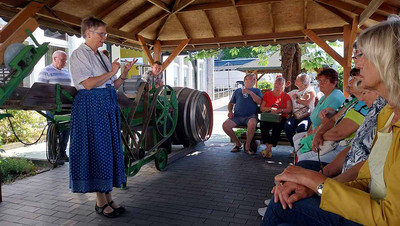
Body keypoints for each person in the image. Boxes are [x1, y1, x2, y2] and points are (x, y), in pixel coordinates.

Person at [262, 15, 400, 225]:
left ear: (387, 60)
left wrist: (316, 182)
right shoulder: (387, 114)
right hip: (362, 203)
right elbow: (365, 178)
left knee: (279, 205)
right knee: (285, 203)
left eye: (362, 55)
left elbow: (390, 218)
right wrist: (316, 188)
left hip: (373, 217)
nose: (357, 64)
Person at [69, 16, 137, 218]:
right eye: (101, 34)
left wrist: (122, 74)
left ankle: (108, 197)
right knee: (98, 150)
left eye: (105, 34)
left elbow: (112, 85)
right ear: (88, 33)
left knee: (108, 150)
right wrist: (111, 73)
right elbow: (88, 84)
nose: (104, 38)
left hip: (106, 105)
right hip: (91, 107)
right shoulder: (78, 55)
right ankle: (100, 202)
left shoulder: (101, 55)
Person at [296, 69, 369, 163]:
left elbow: (339, 133)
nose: (349, 80)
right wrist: (316, 134)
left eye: (354, 78)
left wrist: (317, 136)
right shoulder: (353, 100)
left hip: (343, 147)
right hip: (336, 143)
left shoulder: (363, 105)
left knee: (303, 160)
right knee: (301, 153)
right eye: (319, 81)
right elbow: (334, 118)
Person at [292, 68, 345, 155]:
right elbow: (315, 117)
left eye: (325, 81)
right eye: (320, 81)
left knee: (298, 142)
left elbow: (327, 122)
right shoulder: (325, 96)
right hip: (315, 130)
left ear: (334, 82)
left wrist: (311, 133)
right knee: (296, 138)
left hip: (324, 135)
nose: (321, 84)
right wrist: (309, 131)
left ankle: (302, 165)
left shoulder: (335, 97)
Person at [37, 50, 72, 165]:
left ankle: (62, 153)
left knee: (66, 129)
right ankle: (53, 155)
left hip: (65, 106)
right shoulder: (45, 72)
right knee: (53, 129)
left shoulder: (66, 72)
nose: (64, 63)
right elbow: (41, 89)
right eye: (62, 60)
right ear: (54, 59)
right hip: (52, 106)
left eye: (65, 60)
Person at [222, 73, 262, 155]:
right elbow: (231, 104)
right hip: (237, 116)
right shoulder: (237, 91)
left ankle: (247, 146)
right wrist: (230, 112)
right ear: (245, 80)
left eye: (255, 79)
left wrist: (250, 92)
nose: (254, 80)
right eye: (252, 78)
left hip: (251, 116)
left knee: (252, 123)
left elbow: (259, 101)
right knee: (225, 125)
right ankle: (238, 144)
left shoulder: (257, 91)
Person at [259, 77, 292, 158]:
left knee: (277, 127)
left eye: (280, 84)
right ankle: (268, 149)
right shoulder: (267, 94)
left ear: (284, 86)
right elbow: (261, 108)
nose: (277, 86)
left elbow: (289, 109)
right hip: (268, 116)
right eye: (276, 84)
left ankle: (267, 150)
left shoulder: (286, 96)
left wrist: (280, 110)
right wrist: (270, 108)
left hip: (280, 117)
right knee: (263, 125)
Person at [283, 74, 315, 155]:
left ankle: (303, 149)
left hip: (308, 116)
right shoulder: (294, 92)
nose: (295, 81)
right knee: (288, 125)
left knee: (301, 128)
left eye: (297, 80)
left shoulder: (310, 90)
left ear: (303, 83)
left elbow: (306, 101)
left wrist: (296, 98)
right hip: (296, 116)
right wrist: (285, 86)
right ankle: (295, 148)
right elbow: (282, 95)